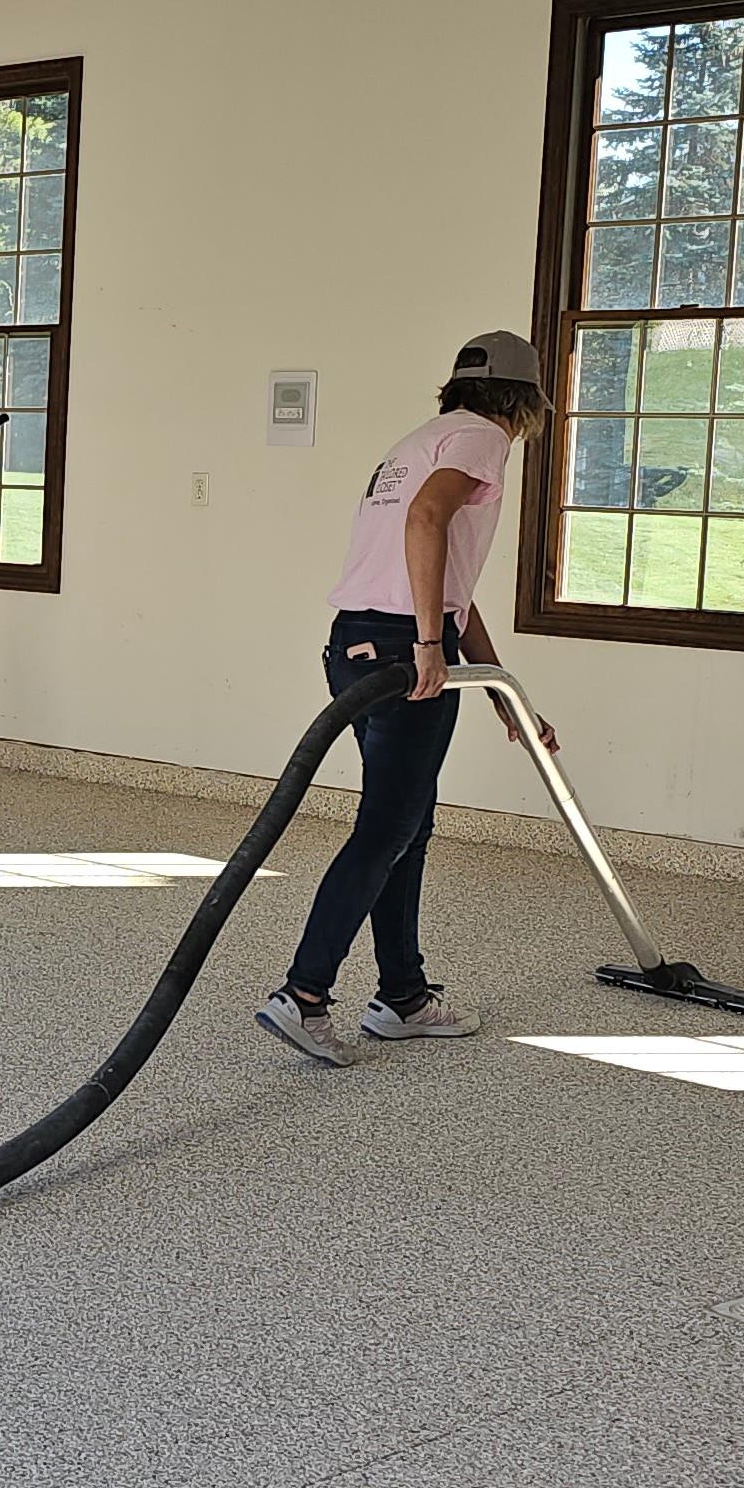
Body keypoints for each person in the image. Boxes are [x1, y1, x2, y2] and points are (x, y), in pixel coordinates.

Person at [257, 330, 560, 1068]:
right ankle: (303, 995)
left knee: (406, 824)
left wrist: (495, 684)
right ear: (524, 400)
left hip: (356, 639)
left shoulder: (421, 438)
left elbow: (450, 581)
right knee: (387, 827)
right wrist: (430, 645)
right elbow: (427, 522)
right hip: (401, 647)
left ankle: (403, 997)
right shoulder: (483, 439)